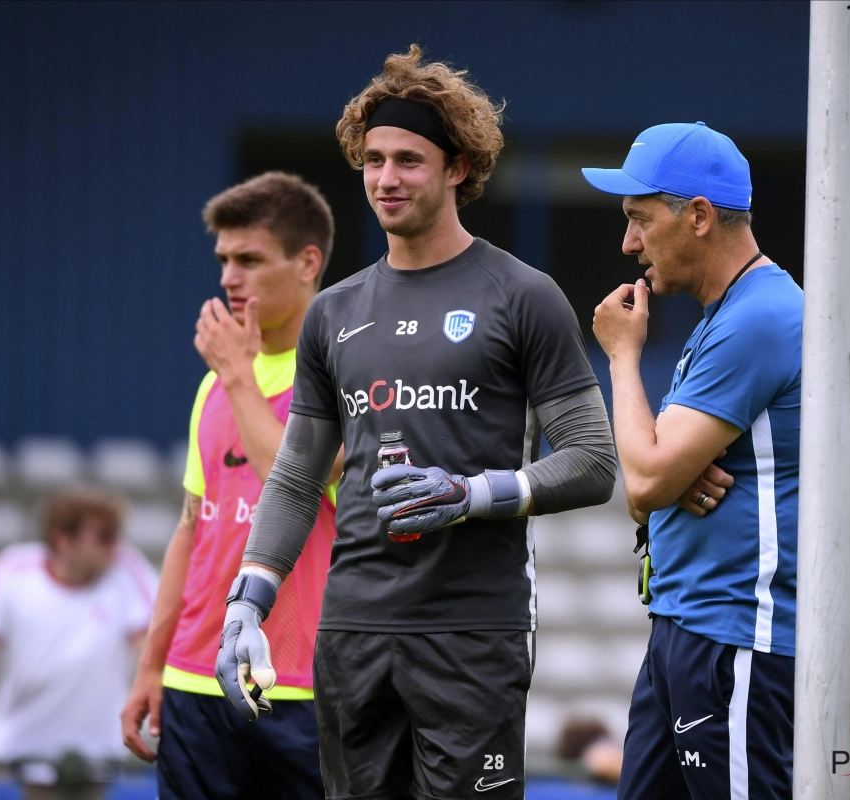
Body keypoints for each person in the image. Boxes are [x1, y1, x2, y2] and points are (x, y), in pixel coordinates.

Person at [216, 45, 618, 800]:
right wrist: (248, 601)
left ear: (458, 167)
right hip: (354, 632)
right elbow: (299, 476)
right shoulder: (333, 312)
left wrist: (473, 495)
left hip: (473, 636)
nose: (386, 179)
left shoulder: (523, 295)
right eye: (372, 160)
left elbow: (594, 461)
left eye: (408, 159)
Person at [587, 122, 801, 799]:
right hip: (688, 627)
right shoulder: (725, 315)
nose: (628, 243)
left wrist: (622, 355)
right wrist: (667, 473)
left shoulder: (758, 318)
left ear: (700, 217)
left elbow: (644, 479)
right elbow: (653, 479)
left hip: (737, 639)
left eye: (639, 219)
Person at [119, 172, 340, 800]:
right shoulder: (215, 382)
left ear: (307, 262)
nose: (228, 277)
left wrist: (239, 376)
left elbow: (291, 484)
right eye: (222, 260)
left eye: (249, 259)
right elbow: (192, 528)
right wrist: (151, 667)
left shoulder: (337, 374)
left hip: (296, 684)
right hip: (193, 680)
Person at [0, 489, 157, 799]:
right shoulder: (9, 573)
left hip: (96, 753)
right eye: (104, 536)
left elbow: (149, 655)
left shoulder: (128, 570)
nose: (115, 546)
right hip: (16, 751)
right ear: (63, 540)